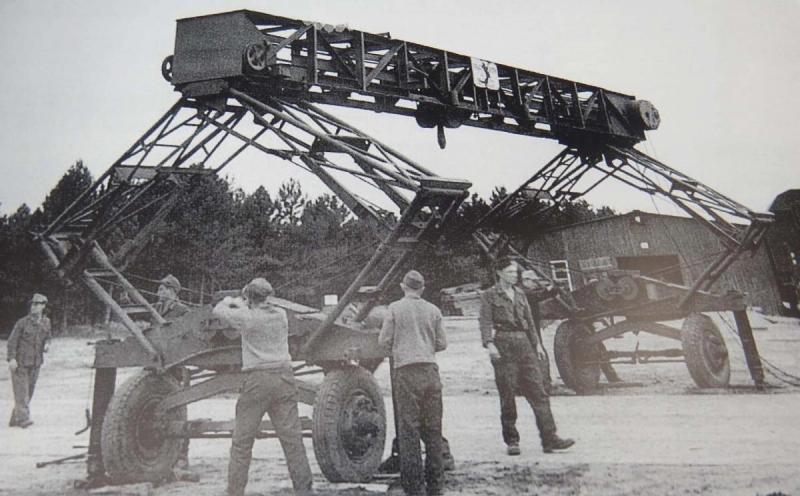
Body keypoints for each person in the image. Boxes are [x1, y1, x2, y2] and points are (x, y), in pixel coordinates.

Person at [213, 278, 313, 496]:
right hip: (285, 378)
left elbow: (219, 310)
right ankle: (305, 491)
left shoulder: (247, 317)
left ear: (250, 298)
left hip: (258, 381)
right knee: (292, 441)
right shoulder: (281, 315)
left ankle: (235, 492)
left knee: (242, 442)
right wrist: (246, 301)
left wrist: (230, 299)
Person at [480, 258, 574, 456]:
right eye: (510, 272)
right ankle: (512, 441)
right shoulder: (489, 295)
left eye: (515, 272)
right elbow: (485, 321)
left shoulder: (521, 294)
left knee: (539, 392)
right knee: (508, 394)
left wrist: (537, 344)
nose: (514, 275)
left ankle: (550, 438)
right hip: (503, 343)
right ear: (499, 273)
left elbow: (530, 322)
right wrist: (489, 344)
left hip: (524, 343)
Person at [378, 270, 447, 496]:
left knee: (409, 431)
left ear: (403, 286)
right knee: (433, 429)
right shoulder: (433, 310)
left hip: (406, 372)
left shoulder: (394, 309)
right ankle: (436, 485)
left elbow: (383, 341)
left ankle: (414, 488)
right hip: (430, 371)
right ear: (422, 288)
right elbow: (442, 343)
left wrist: (401, 349)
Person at [7, 293, 51, 428]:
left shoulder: (46, 322)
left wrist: (47, 344)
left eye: (37, 304)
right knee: (21, 392)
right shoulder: (22, 323)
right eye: (32, 304)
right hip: (21, 362)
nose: (34, 307)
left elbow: (48, 336)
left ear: (43, 306)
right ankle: (23, 419)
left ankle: (16, 417)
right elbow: (12, 342)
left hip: (36, 362)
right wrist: (11, 359)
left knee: (29, 391)